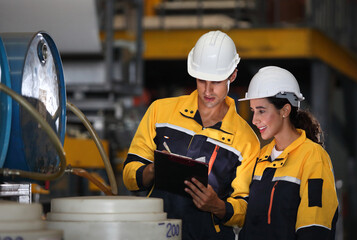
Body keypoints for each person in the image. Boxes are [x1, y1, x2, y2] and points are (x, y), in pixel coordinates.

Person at [122, 30, 260, 239]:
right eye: (202, 80)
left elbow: (244, 207)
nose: (208, 90)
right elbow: (129, 176)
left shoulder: (246, 140)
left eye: (216, 82)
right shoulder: (160, 111)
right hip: (156, 232)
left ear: (232, 76)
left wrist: (218, 206)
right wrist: (152, 170)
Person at [238, 66, 338, 239]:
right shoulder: (261, 157)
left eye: (261, 111)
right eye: (253, 111)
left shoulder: (312, 156)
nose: (254, 120)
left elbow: (315, 226)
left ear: (285, 110)